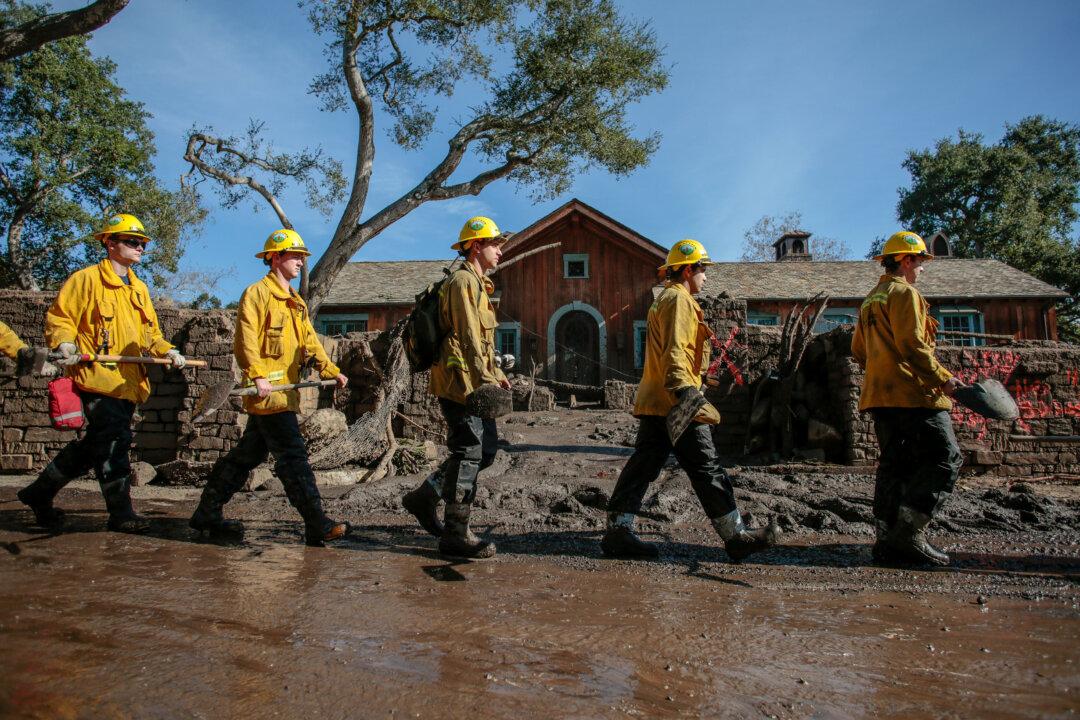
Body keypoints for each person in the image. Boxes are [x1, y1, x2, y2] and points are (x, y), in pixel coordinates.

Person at [601, 239, 779, 562]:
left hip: (659, 400)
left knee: (643, 465)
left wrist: (697, 379)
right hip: (677, 402)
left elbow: (674, 352)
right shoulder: (678, 301)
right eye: (702, 270)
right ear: (687, 270)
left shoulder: (667, 300)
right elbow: (675, 351)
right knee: (706, 466)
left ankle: (617, 529)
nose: (706, 278)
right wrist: (686, 390)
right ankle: (735, 535)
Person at [17, 213, 186, 533]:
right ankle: (122, 514)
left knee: (96, 444)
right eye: (132, 241)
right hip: (97, 378)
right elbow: (60, 318)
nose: (139, 247)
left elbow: (151, 335)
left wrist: (169, 352)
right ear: (110, 243)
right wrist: (65, 344)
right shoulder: (86, 280)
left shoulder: (138, 289)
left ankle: (39, 492)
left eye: (142, 243)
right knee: (114, 443)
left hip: (129, 382)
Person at [188, 228, 350, 547]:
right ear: (275, 258)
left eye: (303, 256)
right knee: (292, 456)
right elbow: (245, 340)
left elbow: (310, 343)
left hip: (284, 395)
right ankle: (316, 522)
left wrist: (331, 370)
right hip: (267, 395)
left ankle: (207, 511)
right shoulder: (257, 294)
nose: (302, 261)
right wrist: (257, 374)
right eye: (295, 255)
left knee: (245, 457)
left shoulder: (295, 302)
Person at [851, 230, 965, 567]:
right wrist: (944, 379)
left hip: (879, 393)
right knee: (946, 458)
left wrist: (881, 368)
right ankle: (910, 532)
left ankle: (886, 540)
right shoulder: (905, 293)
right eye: (919, 261)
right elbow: (913, 346)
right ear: (905, 260)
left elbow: (858, 350)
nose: (922, 269)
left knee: (894, 465)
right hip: (912, 393)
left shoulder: (872, 298)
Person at [401, 216, 509, 559]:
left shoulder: (477, 284)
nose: (500, 252)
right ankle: (456, 533)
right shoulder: (463, 282)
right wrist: (485, 378)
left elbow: (482, 342)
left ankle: (426, 496)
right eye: (495, 245)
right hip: (460, 382)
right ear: (476, 246)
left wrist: (495, 372)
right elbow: (467, 337)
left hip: (474, 379)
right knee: (470, 452)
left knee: (485, 451)